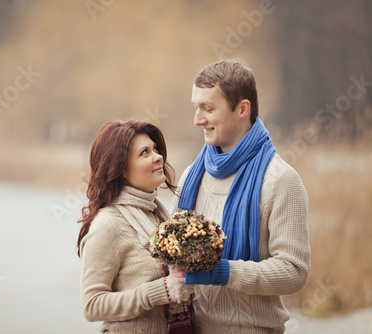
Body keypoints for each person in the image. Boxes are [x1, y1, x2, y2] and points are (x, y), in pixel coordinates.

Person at [171, 60, 311, 333]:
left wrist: (221, 272)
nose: (197, 119)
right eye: (196, 107)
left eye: (208, 108)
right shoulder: (192, 175)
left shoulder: (280, 180)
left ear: (242, 109)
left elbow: (294, 272)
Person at [77, 120, 195, 333]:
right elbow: (91, 305)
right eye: (145, 153)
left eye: (156, 149)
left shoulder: (160, 216)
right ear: (121, 168)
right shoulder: (108, 224)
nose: (158, 156)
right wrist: (158, 291)